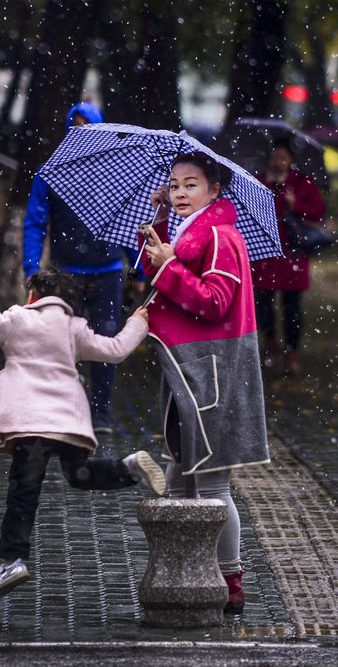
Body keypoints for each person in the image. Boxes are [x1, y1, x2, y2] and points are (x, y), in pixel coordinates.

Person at [0, 265, 165, 598]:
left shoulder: (16, 320)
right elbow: (114, 351)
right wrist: (139, 322)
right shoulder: (75, 328)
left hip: (30, 421)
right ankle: (128, 469)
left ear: (32, 295)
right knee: (79, 474)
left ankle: (13, 560)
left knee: (24, 492)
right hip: (67, 421)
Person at [139, 151, 269, 613]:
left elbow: (214, 302)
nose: (179, 193)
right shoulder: (188, 235)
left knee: (212, 486)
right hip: (186, 371)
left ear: (215, 190)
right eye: (174, 185)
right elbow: (157, 278)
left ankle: (230, 579)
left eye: (191, 184)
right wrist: (161, 245)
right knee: (179, 480)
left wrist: (169, 267)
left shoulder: (222, 237)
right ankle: (185, 571)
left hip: (212, 372)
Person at [23, 102, 145, 434]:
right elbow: (35, 222)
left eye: (88, 126)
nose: (81, 133)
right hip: (65, 274)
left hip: (106, 272)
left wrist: (139, 272)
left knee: (105, 340)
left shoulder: (116, 174)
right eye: (75, 126)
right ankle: (66, 406)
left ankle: (100, 410)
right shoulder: (52, 172)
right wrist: (31, 267)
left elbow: (129, 223)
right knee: (61, 342)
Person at [250, 139, 326, 377]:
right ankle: (271, 342)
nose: (279, 161)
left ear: (291, 160)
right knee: (264, 305)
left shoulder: (301, 182)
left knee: (292, 307)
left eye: (284, 157)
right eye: (276, 156)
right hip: (265, 253)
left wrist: (296, 204)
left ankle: (291, 352)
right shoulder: (258, 181)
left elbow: (318, 211)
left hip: (293, 253)